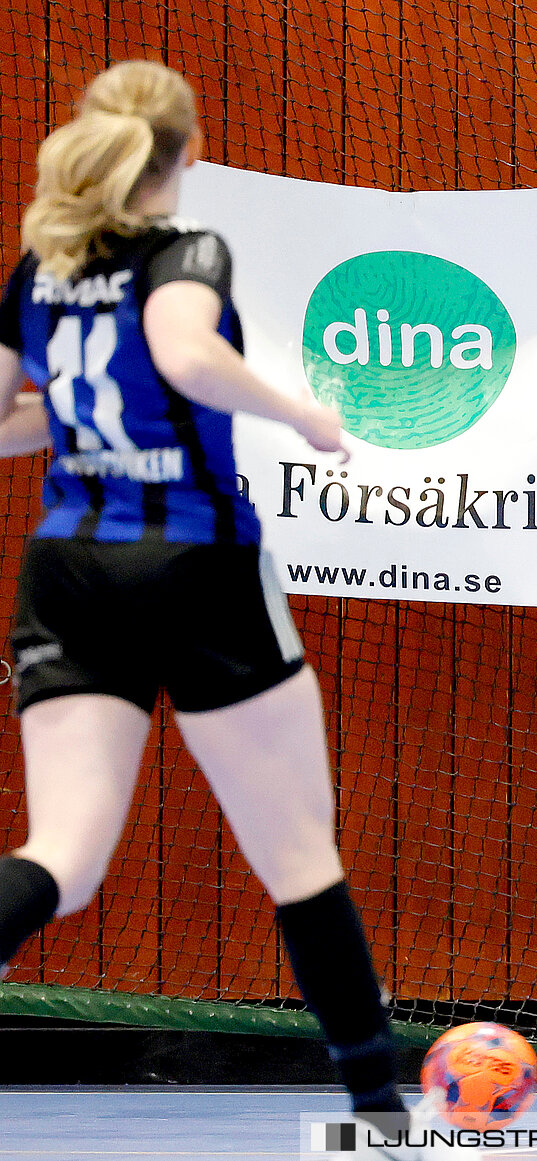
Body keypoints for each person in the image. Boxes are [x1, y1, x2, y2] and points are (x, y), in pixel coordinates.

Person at [0, 61, 412, 1142]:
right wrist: (303, 415)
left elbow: (16, 419)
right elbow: (184, 355)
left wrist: (72, 426)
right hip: (192, 560)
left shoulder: (37, 271)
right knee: (298, 854)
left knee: (65, 858)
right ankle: (377, 1106)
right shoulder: (188, 250)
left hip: (69, 566)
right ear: (179, 157)